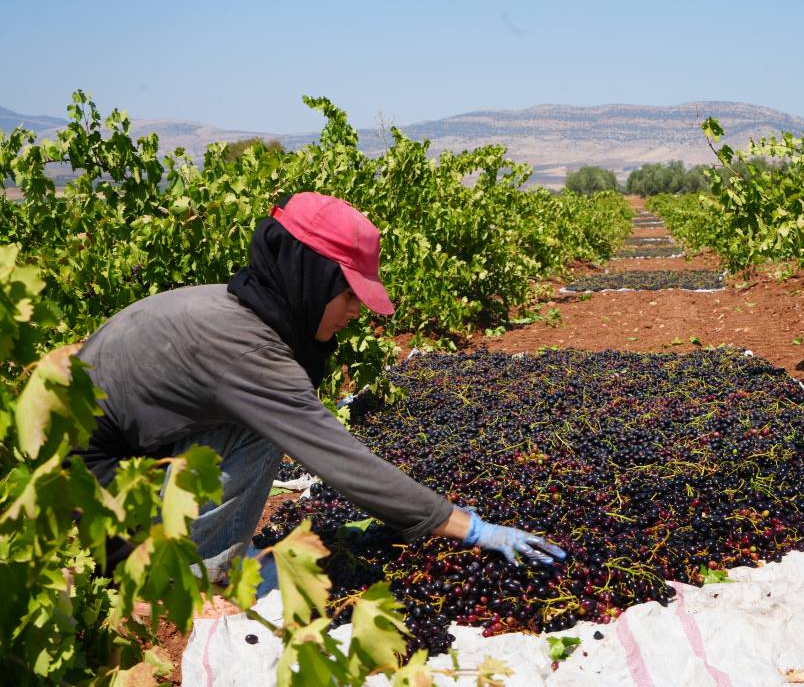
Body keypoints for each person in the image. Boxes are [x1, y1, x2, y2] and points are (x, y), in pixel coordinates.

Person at [74, 191, 565, 582]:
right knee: (271, 426)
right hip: (91, 490)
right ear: (312, 278)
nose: (355, 311)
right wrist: (467, 526)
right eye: (349, 294)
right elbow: (338, 459)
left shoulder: (238, 308)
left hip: (118, 455)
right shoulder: (248, 352)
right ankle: (183, 577)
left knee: (264, 420)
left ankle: (179, 551)